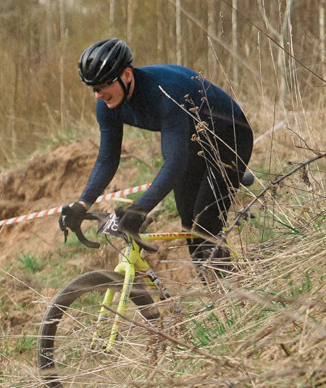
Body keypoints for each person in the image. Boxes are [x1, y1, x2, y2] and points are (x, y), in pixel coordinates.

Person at [58, 38, 255, 270]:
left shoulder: (165, 92)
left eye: (102, 85)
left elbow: (174, 163)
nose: (98, 95)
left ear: (127, 75)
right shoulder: (107, 104)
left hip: (230, 136)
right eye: (94, 88)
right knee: (189, 226)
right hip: (193, 140)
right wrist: (83, 203)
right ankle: (217, 291)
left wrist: (140, 209)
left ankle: (231, 296)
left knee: (205, 225)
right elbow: (108, 159)